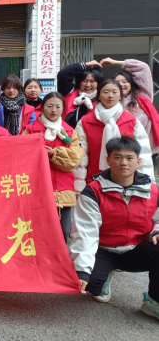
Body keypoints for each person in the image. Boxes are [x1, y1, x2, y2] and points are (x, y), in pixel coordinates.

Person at [69, 136, 159, 319]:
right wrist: (82, 270)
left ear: (138, 162)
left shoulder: (152, 190)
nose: (123, 163)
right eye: (117, 157)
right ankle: (104, 275)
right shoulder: (93, 191)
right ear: (108, 160)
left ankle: (154, 302)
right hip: (103, 249)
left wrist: (157, 230)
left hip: (137, 248)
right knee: (89, 284)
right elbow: (85, 233)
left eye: (129, 158)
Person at [22, 92, 84, 242]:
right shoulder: (30, 130)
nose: (54, 110)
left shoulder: (70, 132)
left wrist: (53, 154)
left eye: (58, 106)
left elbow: (74, 160)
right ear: (42, 107)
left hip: (64, 189)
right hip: (37, 187)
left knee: (64, 232)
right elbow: (21, 157)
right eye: (50, 106)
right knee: (39, 233)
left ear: (63, 108)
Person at [74, 79, 155, 194]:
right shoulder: (85, 122)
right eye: (106, 92)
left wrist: (146, 184)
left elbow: (143, 155)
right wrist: (78, 188)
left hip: (127, 183)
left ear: (120, 96)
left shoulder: (132, 121)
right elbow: (80, 157)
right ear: (99, 96)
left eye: (115, 92)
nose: (110, 95)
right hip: (94, 182)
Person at [102, 57, 159, 165]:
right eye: (118, 82)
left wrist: (115, 62)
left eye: (125, 81)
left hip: (146, 150)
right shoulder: (111, 101)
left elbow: (143, 68)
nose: (121, 84)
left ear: (131, 83)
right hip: (121, 152)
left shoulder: (143, 95)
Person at [57, 60, 105, 128]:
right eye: (84, 81)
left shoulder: (102, 99)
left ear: (98, 83)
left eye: (92, 81)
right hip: (69, 133)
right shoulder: (70, 93)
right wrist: (84, 65)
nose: (88, 85)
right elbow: (63, 75)